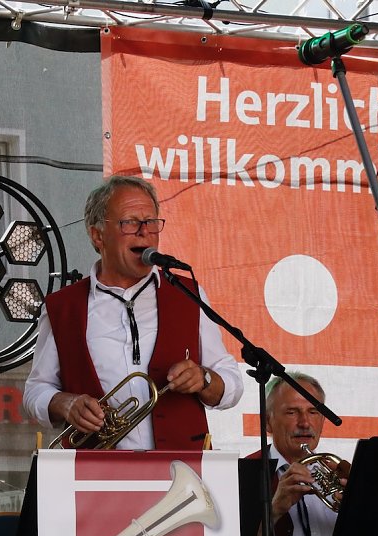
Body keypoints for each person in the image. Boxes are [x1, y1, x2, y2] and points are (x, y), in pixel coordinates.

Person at [22, 175, 243, 450]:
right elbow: (35, 391)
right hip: (98, 478)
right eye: (130, 222)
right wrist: (64, 404)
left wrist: (204, 379)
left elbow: (231, 381)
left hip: (182, 472)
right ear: (98, 235)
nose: (144, 231)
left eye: (151, 222)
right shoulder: (63, 307)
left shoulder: (187, 294)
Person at [242, 372, 378, 536]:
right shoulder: (246, 472)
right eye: (292, 412)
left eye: (313, 412)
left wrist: (361, 507)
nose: (305, 422)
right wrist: (275, 508)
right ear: (267, 422)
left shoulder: (342, 473)